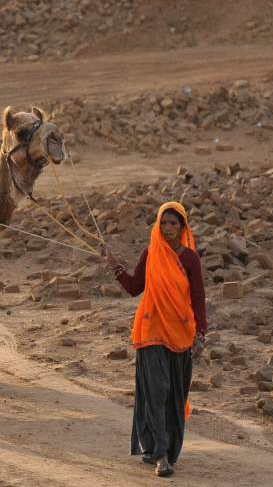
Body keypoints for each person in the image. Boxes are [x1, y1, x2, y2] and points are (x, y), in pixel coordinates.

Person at [102, 201, 206, 478]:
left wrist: (201, 335)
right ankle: (160, 454)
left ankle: (166, 449)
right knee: (157, 391)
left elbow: (198, 299)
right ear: (158, 225)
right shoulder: (151, 254)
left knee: (174, 394)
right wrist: (114, 265)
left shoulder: (190, 259)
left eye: (174, 223)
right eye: (164, 223)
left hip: (181, 333)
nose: (169, 228)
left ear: (183, 228)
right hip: (150, 330)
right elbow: (135, 288)